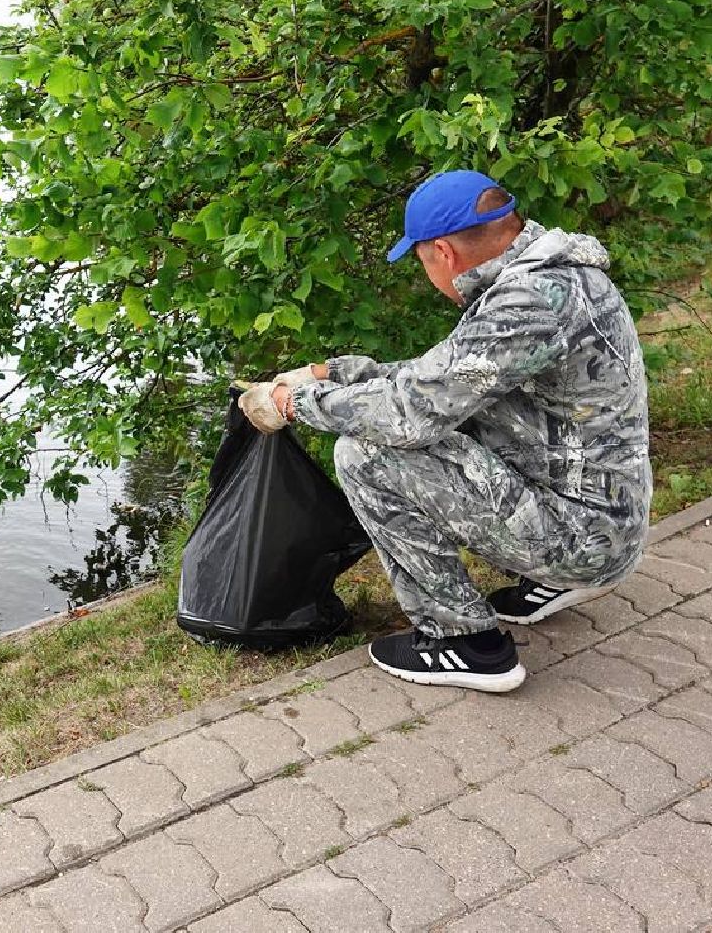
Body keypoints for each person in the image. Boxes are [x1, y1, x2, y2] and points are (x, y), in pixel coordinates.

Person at [240, 170, 651, 692]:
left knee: (364, 454)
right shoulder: (553, 278)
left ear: (444, 253)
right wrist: (334, 373)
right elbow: (447, 378)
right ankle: (542, 580)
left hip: (587, 538)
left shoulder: (524, 305)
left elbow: (411, 412)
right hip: (600, 514)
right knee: (450, 422)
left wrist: (293, 403)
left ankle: (465, 642)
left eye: (420, 260)